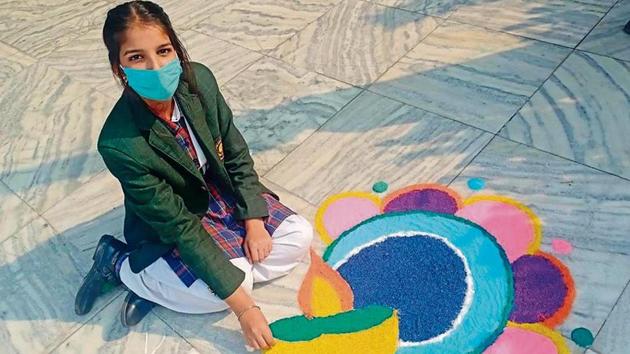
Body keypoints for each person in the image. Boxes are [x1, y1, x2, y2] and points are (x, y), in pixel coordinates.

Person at [74, 1, 313, 350]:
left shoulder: (198, 80)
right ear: (118, 66)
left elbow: (235, 154)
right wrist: (245, 309)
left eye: (164, 50)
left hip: (219, 192)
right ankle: (119, 263)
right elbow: (180, 227)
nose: (156, 67)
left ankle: (177, 285)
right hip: (177, 218)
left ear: (176, 47)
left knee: (298, 236)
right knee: (225, 294)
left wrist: (254, 220)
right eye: (136, 57)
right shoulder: (119, 142)